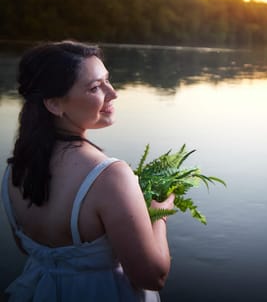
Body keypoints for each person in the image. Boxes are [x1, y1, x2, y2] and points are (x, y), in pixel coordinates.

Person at [1, 41, 174, 301]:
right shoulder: (109, 175)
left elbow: (28, 248)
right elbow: (151, 276)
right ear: (55, 104)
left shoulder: (15, 171)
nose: (113, 93)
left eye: (107, 81)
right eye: (95, 87)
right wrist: (159, 216)